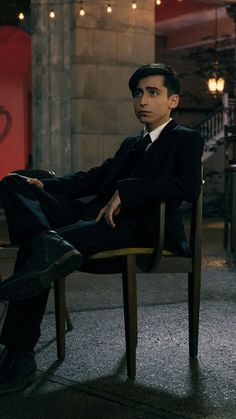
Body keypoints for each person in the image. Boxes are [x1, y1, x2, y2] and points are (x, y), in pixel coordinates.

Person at [0, 63, 203, 395]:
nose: (143, 101)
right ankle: (45, 242)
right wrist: (46, 184)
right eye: (138, 93)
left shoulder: (185, 139)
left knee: (40, 248)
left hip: (138, 228)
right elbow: (95, 177)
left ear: (173, 101)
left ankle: (19, 354)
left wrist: (127, 190)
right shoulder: (130, 144)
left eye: (153, 93)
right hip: (96, 219)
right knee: (15, 184)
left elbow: (187, 186)